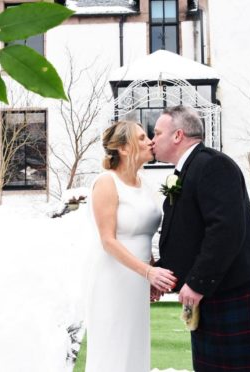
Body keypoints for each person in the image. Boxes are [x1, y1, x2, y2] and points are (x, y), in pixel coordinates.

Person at [152, 105, 250, 372]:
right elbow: (188, 234)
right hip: (220, 287)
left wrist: (197, 284)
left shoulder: (212, 165)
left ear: (177, 135)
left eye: (157, 132)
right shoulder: (190, 168)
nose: (152, 140)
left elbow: (226, 231)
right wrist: (166, 274)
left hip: (238, 287)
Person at [85, 121, 177, 372]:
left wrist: (152, 272)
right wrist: (147, 272)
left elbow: (144, 235)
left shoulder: (145, 184)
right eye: (142, 137)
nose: (150, 141)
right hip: (112, 279)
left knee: (134, 347)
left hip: (137, 281)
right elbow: (108, 240)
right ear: (124, 149)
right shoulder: (106, 182)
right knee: (112, 347)